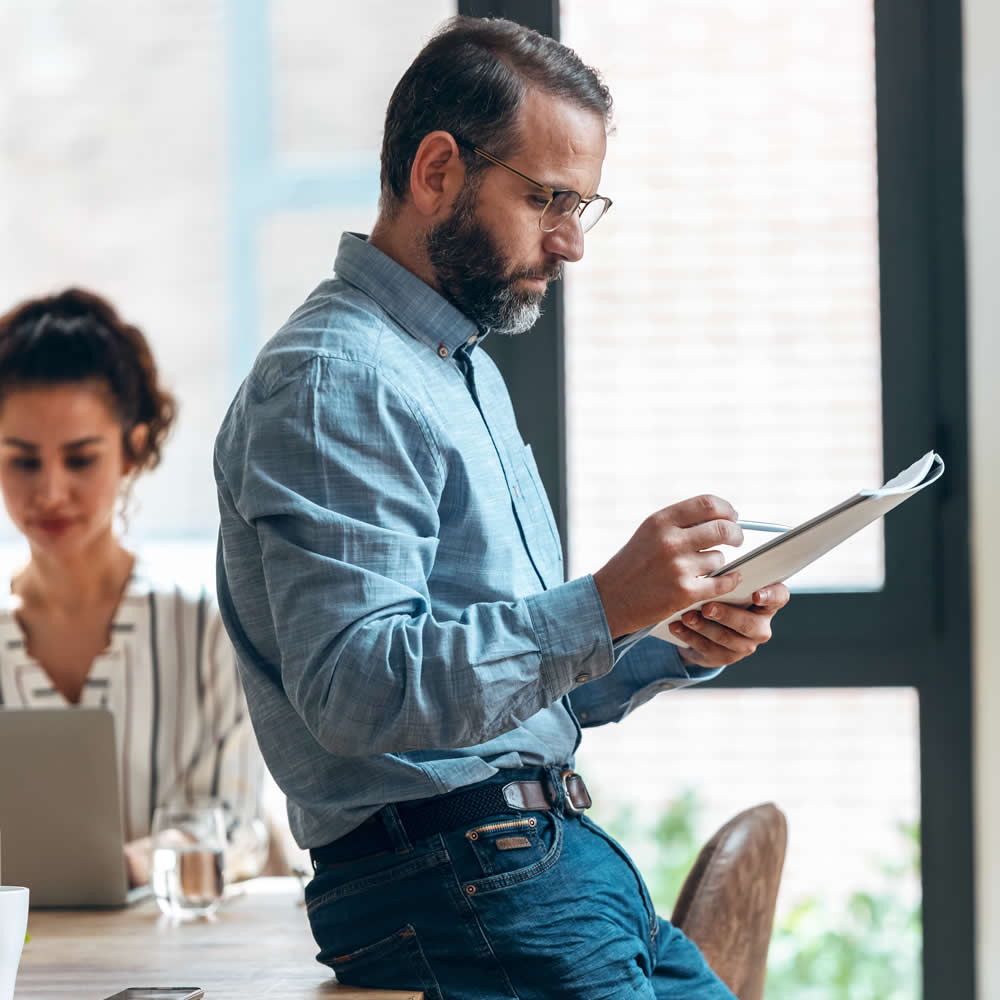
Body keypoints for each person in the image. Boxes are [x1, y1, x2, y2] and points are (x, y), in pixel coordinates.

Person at [214, 16, 789, 999]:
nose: (569, 241)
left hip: (535, 862)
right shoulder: (335, 377)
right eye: (548, 199)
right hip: (459, 875)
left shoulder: (451, 371)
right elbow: (356, 689)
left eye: (583, 205)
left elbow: (497, 694)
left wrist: (667, 640)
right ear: (437, 169)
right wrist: (604, 603)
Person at [0, 288, 268, 886]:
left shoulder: (210, 628)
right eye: (21, 460)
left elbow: (238, 823)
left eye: (79, 459)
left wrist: (134, 865)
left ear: (133, 449)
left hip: (176, 962)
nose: (49, 493)